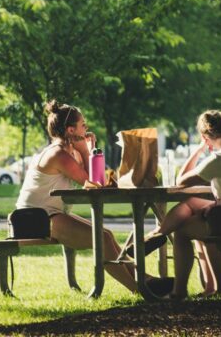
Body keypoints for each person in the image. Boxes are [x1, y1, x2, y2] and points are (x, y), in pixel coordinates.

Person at [127, 110, 221, 298]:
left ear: (205, 136)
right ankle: (158, 234)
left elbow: (181, 180)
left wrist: (199, 149)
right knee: (191, 203)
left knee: (182, 231)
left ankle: (179, 291)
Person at [16, 100, 146, 293]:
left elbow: (96, 179)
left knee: (107, 235)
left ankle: (144, 280)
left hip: (48, 215)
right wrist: (86, 150)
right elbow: (93, 182)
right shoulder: (57, 154)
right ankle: (138, 289)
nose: (86, 128)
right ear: (70, 130)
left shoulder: (70, 152)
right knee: (101, 238)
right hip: (32, 219)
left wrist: (88, 150)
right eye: (83, 125)